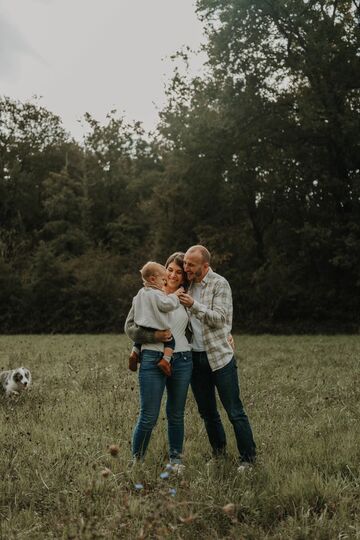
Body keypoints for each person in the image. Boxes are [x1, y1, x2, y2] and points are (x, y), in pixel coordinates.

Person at [178, 245, 256, 470]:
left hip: (220, 357)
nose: (186, 268)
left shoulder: (220, 284)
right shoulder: (187, 284)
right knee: (208, 412)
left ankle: (248, 459)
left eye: (190, 265)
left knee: (234, 410)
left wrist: (194, 305)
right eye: (185, 264)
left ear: (205, 265)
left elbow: (220, 319)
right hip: (195, 358)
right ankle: (219, 454)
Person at [124, 252, 192, 469]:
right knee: (149, 415)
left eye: (178, 272)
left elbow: (203, 326)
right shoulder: (147, 294)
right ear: (161, 272)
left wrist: (227, 334)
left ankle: (175, 460)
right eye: (170, 269)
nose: (172, 275)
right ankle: (137, 461)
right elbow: (130, 328)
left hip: (181, 359)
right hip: (152, 358)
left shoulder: (187, 297)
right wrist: (153, 337)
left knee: (175, 414)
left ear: (184, 277)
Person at [128, 261, 181, 377]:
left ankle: (134, 354)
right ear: (152, 279)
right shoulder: (156, 294)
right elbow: (166, 305)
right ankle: (165, 361)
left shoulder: (140, 293)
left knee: (139, 341)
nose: (165, 282)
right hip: (157, 329)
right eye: (163, 279)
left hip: (142, 327)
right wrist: (175, 297)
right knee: (171, 341)